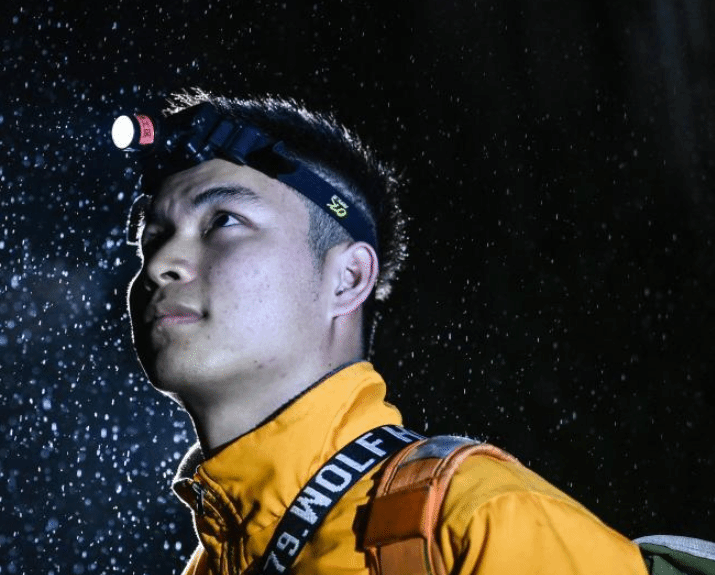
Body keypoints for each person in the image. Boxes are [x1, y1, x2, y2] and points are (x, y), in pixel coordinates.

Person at [119, 90, 647, 574]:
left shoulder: (476, 521)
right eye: (154, 237)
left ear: (347, 279)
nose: (161, 262)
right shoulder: (209, 566)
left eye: (222, 222)